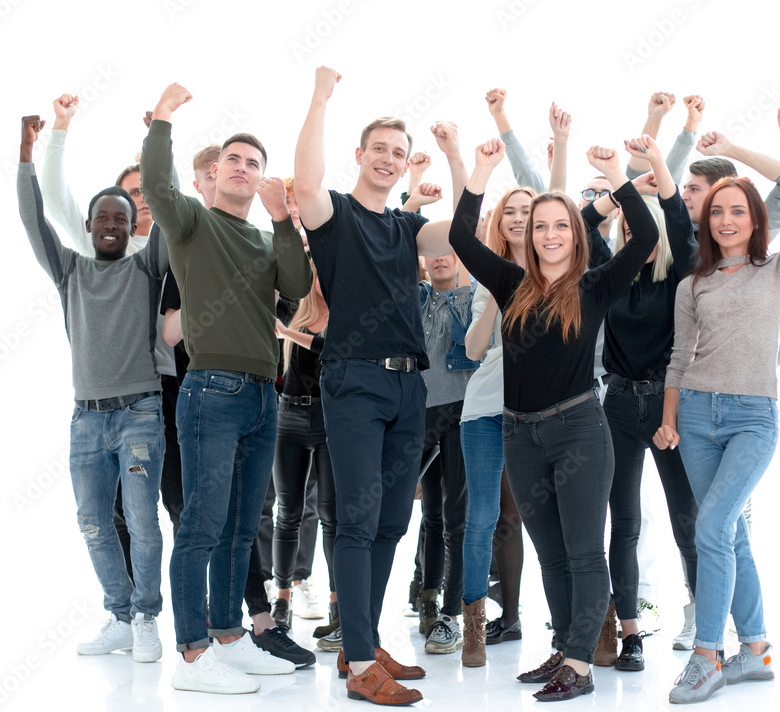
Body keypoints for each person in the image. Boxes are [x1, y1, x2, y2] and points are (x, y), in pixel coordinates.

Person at [449, 137, 659, 701]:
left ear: (576, 232)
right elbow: (457, 238)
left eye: (560, 225)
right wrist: (480, 171)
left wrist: (617, 177)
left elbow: (649, 239)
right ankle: (567, 648)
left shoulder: (597, 284)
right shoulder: (509, 283)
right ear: (529, 234)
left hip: (579, 432)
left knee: (585, 550)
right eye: (539, 226)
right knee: (551, 553)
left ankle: (581, 665)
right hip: (519, 433)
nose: (548, 235)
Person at [294, 65, 460, 706]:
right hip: (354, 381)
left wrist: (453, 160)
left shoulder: (406, 229)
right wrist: (321, 95)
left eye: (399, 152)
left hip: (409, 387)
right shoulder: (333, 214)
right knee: (359, 523)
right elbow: (304, 180)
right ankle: (358, 660)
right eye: (380, 150)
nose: (389, 159)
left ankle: (368, 637)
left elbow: (461, 233)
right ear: (360, 156)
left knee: (392, 521)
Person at [141, 82, 313, 695]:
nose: (242, 169)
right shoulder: (191, 222)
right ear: (214, 174)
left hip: (265, 395)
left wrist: (282, 218)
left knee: (244, 526)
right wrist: (162, 119)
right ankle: (191, 657)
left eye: (253, 163)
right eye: (232, 161)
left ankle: (228, 637)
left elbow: (293, 279)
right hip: (210, 392)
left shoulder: (266, 239)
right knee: (203, 524)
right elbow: (159, 186)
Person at [655, 110, 780, 705]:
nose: (725, 219)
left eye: (737, 210)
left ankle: (706, 655)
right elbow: (677, 358)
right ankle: (755, 650)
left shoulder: (775, 272)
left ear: (755, 219)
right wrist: (669, 419)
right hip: (695, 416)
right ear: (706, 221)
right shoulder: (691, 286)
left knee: (713, 526)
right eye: (716, 210)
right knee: (732, 534)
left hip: (752, 418)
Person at [17, 115, 167, 664]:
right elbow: (33, 218)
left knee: (142, 518)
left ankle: (148, 616)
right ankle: (121, 616)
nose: (110, 224)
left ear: (132, 228)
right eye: (102, 217)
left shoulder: (146, 267)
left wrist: (159, 143)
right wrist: (26, 155)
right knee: (92, 522)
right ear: (88, 224)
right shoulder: (70, 271)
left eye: (120, 218)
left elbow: (170, 216)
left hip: (140, 414)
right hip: (85, 419)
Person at [594, 135, 699, 673]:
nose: (637, 235)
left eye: (645, 228)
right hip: (616, 405)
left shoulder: (678, 277)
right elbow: (584, 228)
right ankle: (629, 630)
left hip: (667, 405)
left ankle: (707, 627)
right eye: (629, 229)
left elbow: (679, 222)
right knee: (625, 520)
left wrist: (655, 162)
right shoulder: (609, 282)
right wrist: (616, 186)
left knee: (687, 517)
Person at [458, 184, 535, 668]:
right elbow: (471, 349)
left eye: (528, 210)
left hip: (534, 413)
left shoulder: (560, 272)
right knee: (483, 516)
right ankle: (473, 629)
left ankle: (512, 617)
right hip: (484, 410)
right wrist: (498, 292)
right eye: (509, 211)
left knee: (518, 518)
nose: (518, 218)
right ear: (498, 221)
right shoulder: (483, 277)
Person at [271, 263, 340, 651]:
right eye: (314, 270)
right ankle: (282, 600)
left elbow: (332, 351)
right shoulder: (293, 309)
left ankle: (336, 605)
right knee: (289, 513)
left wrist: (288, 335)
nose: (321, 277)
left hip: (331, 421)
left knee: (332, 517)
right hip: (290, 418)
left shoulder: (348, 314)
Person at [416, 249, 480, 655]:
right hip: (419, 413)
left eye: (449, 251)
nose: (441, 258)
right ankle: (425, 595)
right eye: (432, 252)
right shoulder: (415, 297)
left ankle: (450, 617)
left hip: (463, 412)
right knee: (428, 514)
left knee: (457, 518)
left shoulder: (473, 298)